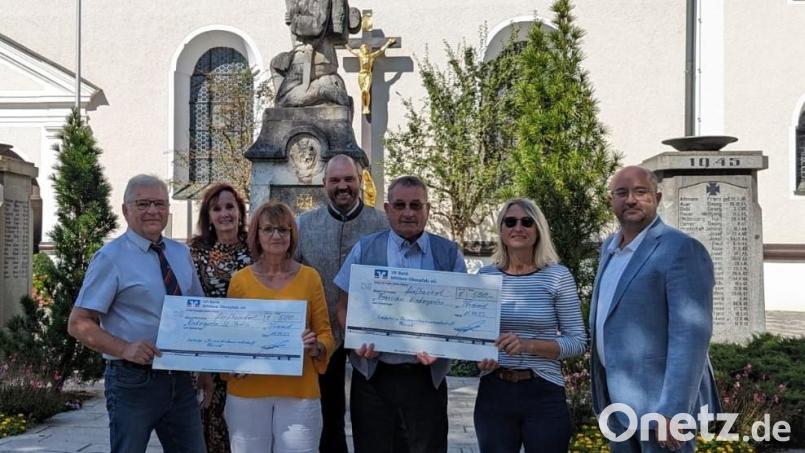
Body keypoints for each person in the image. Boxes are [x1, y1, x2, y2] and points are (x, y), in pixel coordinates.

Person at [67, 174, 208, 453]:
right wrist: (124, 348)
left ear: (169, 209)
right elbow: (78, 322)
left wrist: (203, 370)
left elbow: (197, 314)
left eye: (159, 203)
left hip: (179, 381)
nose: (153, 211)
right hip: (132, 381)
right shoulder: (111, 258)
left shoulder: (181, 254)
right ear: (125, 210)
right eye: (143, 204)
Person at [590, 166, 720, 452]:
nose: (631, 200)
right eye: (622, 193)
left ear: (657, 198)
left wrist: (673, 410)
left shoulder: (681, 250)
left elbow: (691, 338)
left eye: (641, 192)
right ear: (611, 200)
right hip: (618, 406)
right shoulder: (609, 249)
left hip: (659, 411)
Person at [333, 175, 467, 453]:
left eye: (416, 205)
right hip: (374, 377)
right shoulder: (364, 249)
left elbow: (461, 315)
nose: (408, 213)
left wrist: (442, 347)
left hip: (426, 379)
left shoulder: (449, 253)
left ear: (428, 210)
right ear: (387, 209)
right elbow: (343, 307)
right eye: (400, 205)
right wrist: (356, 340)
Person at [475, 198, 587, 453]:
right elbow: (474, 337)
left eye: (527, 222)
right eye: (510, 221)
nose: (518, 228)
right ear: (501, 229)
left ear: (538, 230)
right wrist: (480, 358)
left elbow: (578, 342)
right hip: (494, 391)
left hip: (543, 391)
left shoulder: (557, 276)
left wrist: (528, 345)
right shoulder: (485, 277)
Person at [224, 201, 335, 453]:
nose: (276, 235)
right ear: (257, 234)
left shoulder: (310, 277)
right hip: (247, 391)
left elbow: (326, 334)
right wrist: (232, 365)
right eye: (268, 229)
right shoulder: (240, 281)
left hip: (299, 391)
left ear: (292, 235)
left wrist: (316, 346)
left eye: (283, 230)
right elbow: (230, 339)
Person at [296, 154, 387, 453]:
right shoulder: (304, 225)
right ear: (324, 185)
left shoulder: (382, 224)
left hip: (371, 336)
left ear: (360, 182)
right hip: (324, 337)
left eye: (349, 179)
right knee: (328, 415)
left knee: (372, 415)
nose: (342, 186)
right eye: (335, 180)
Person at [189, 183, 252, 453]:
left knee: (249, 428)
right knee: (213, 422)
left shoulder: (256, 248)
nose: (224, 213)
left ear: (240, 212)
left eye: (230, 206)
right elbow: (190, 301)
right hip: (211, 355)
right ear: (208, 216)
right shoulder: (196, 252)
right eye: (217, 209)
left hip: (251, 351)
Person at [345, 38, 396, 114]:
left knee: (366, 90)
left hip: (368, 74)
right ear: (361, 50)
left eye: (366, 47)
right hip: (361, 75)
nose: (365, 48)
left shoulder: (370, 56)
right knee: (363, 92)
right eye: (363, 48)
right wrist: (345, 44)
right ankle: (365, 106)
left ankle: (366, 107)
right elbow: (351, 50)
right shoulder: (360, 56)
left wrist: (388, 42)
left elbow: (381, 51)